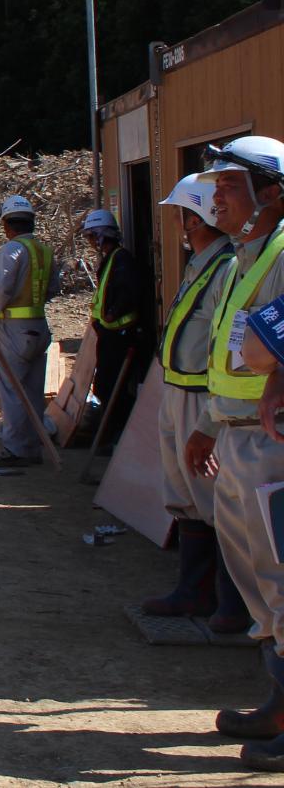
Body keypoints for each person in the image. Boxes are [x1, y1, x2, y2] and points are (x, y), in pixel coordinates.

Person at [190, 136, 284, 769]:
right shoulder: (242, 258)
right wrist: (209, 422)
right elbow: (229, 355)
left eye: (228, 185)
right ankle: (279, 700)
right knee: (262, 588)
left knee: (283, 583)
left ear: (271, 194)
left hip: (272, 443)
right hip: (238, 434)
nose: (214, 196)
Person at [139, 174, 242, 630]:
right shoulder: (203, 263)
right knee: (184, 492)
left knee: (212, 496)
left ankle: (230, 602)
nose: (177, 224)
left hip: (204, 397)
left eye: (181, 214)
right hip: (180, 389)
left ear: (193, 217)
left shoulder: (226, 268)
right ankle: (194, 592)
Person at [0, 194, 59, 469]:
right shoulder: (44, 251)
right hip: (38, 326)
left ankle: (15, 449)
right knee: (32, 392)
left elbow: (0, 291)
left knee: (12, 392)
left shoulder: (11, 251)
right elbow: (54, 288)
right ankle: (32, 447)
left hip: (12, 330)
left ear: (7, 225)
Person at [83, 208, 153, 448]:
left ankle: (120, 438)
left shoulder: (121, 259)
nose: (91, 242)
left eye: (92, 236)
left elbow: (128, 292)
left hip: (120, 336)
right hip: (109, 333)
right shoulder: (112, 259)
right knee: (105, 386)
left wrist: (112, 314)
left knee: (112, 388)